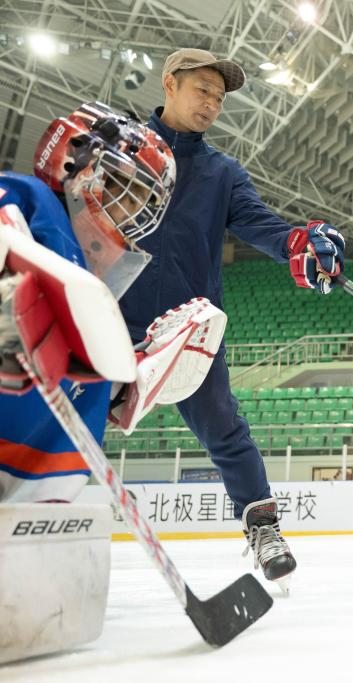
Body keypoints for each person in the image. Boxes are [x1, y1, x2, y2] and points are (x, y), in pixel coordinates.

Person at [118, 48, 347, 586]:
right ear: (169, 84)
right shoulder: (123, 153)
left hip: (188, 328)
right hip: (114, 319)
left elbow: (263, 225)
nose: (212, 104)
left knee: (225, 428)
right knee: (69, 414)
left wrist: (300, 241)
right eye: (203, 90)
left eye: (219, 98)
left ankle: (263, 528)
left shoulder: (223, 173)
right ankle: (38, 508)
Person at [0, 101, 181, 661]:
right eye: (125, 191)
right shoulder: (24, 200)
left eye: (142, 204)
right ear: (76, 165)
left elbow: (56, 395)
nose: (131, 216)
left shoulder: (86, 291)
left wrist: (129, 383)